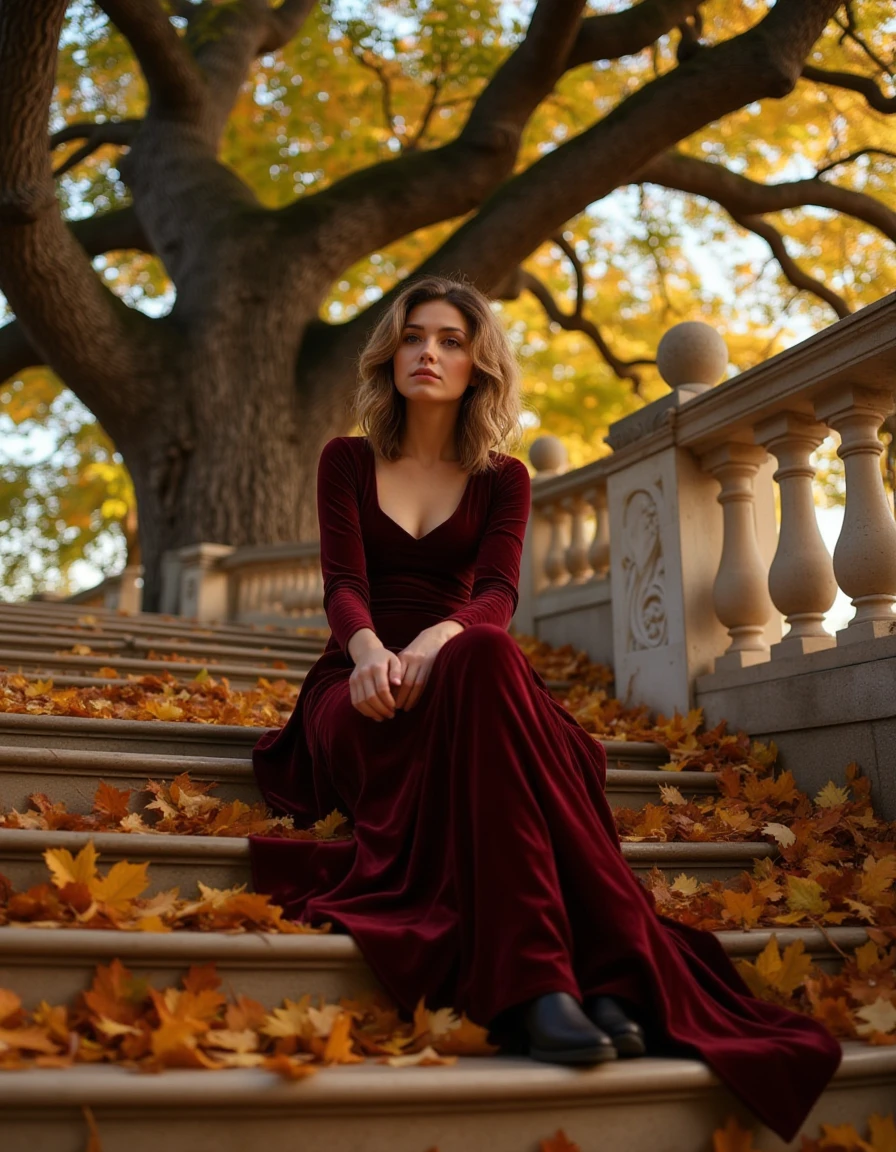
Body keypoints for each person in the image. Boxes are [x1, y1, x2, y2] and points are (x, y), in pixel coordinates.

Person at [249, 275, 841, 1142]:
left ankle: (546, 984)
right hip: (361, 686)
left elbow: (495, 596)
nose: (429, 353)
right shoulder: (346, 458)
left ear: (478, 362)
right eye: (415, 337)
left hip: (463, 673)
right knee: (491, 697)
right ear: (392, 352)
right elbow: (343, 586)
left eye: (451, 340)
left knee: (485, 652)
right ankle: (576, 978)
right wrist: (373, 653)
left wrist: (438, 642)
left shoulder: (504, 479)